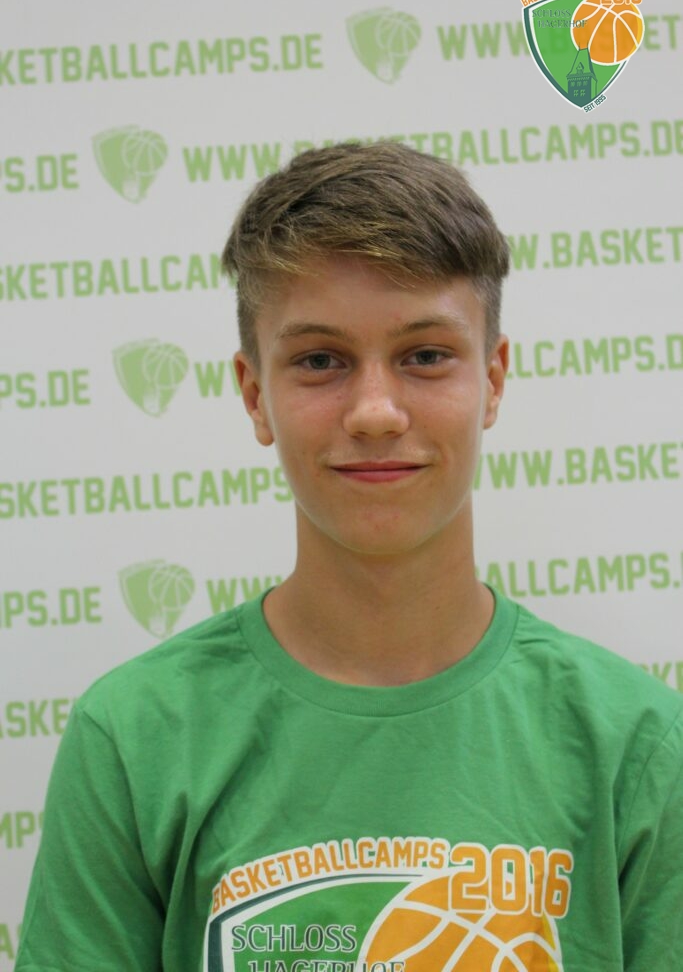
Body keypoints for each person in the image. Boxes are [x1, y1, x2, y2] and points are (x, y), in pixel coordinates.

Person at [15, 143, 683, 972]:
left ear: (493, 380)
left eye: (425, 356)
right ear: (254, 394)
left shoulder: (635, 744)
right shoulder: (134, 738)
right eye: (320, 361)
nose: (374, 411)